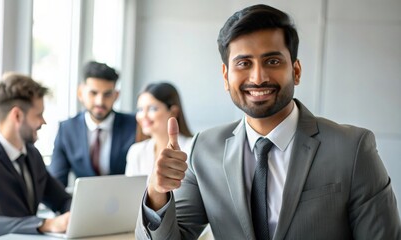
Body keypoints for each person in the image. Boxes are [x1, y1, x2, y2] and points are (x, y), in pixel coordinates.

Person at [135, 4, 401, 240]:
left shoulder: (352, 149)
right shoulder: (203, 149)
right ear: (226, 76)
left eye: (272, 61)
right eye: (244, 63)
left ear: (295, 71)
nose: (259, 77)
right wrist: (157, 192)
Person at [0, 73, 72, 239]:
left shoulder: (32, 155)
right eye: (38, 115)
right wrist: (46, 224)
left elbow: (62, 200)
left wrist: (77, 215)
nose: (43, 122)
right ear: (17, 115)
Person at [49, 61, 137, 186]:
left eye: (107, 94)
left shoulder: (134, 125)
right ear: (80, 93)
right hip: (85, 203)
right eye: (93, 93)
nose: (100, 101)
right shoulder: (67, 129)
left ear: (116, 95)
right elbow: (56, 182)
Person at [125, 82, 193, 177]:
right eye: (140, 110)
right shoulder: (136, 151)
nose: (143, 116)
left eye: (152, 109)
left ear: (173, 112)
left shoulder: (191, 148)